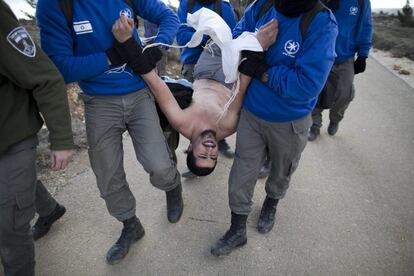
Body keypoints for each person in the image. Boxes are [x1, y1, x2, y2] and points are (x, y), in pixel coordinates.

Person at [36, 0, 183, 265]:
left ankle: (172, 186)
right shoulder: (54, 6)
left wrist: (154, 48)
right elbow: (59, 67)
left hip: (139, 93)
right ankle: (130, 224)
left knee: (159, 165)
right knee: (107, 175)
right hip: (98, 101)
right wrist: (114, 55)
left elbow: (168, 17)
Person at [210, 0, 338, 256]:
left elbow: (306, 84)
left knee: (282, 170)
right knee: (241, 173)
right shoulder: (262, 6)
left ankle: (271, 202)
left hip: (290, 120)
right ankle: (237, 229)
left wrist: (262, 71)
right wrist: (255, 42)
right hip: (252, 113)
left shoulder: (322, 22)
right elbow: (235, 38)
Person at [111, 15, 278, 177]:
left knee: (223, 29)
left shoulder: (182, 121)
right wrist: (259, 48)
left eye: (203, 155)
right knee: (254, 31)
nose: (210, 151)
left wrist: (127, 42)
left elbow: (156, 85)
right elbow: (241, 87)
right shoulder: (226, 126)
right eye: (213, 157)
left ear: (190, 148)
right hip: (229, 75)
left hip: (205, 69)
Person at [0, 1, 74, 275]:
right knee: (13, 187)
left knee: (8, 226)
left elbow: (46, 78)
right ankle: (50, 209)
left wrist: (62, 139)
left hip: (12, 135)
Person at [177, 0, 239, 175]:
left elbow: (231, 40)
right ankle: (195, 159)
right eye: (208, 156)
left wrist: (200, 32)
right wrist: (211, 33)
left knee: (218, 106)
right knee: (195, 108)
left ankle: (221, 141)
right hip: (191, 63)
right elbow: (181, 37)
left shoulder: (223, 7)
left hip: (219, 65)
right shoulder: (186, 5)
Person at [308, 0, 372, 141]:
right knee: (316, 92)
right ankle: (314, 125)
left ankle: (335, 118)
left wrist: (363, 54)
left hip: (345, 56)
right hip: (321, 54)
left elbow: (366, 26)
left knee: (344, 93)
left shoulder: (362, 2)